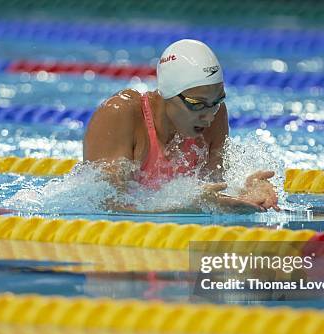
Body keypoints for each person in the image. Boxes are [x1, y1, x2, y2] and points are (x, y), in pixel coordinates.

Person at [83, 39, 280, 213]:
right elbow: (106, 205)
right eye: (197, 104)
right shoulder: (120, 115)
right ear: (168, 94)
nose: (209, 115)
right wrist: (186, 207)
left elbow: (214, 188)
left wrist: (246, 192)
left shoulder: (216, 115)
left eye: (217, 101)